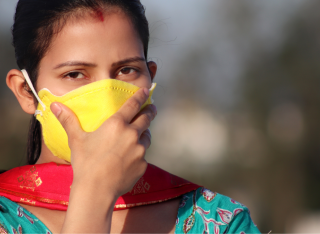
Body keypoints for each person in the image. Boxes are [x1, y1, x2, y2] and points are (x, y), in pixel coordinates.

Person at [0, 0, 261, 233]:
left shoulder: (220, 221)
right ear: (26, 92)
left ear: (150, 79)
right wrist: (95, 193)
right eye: (75, 74)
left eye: (126, 70)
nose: (107, 99)